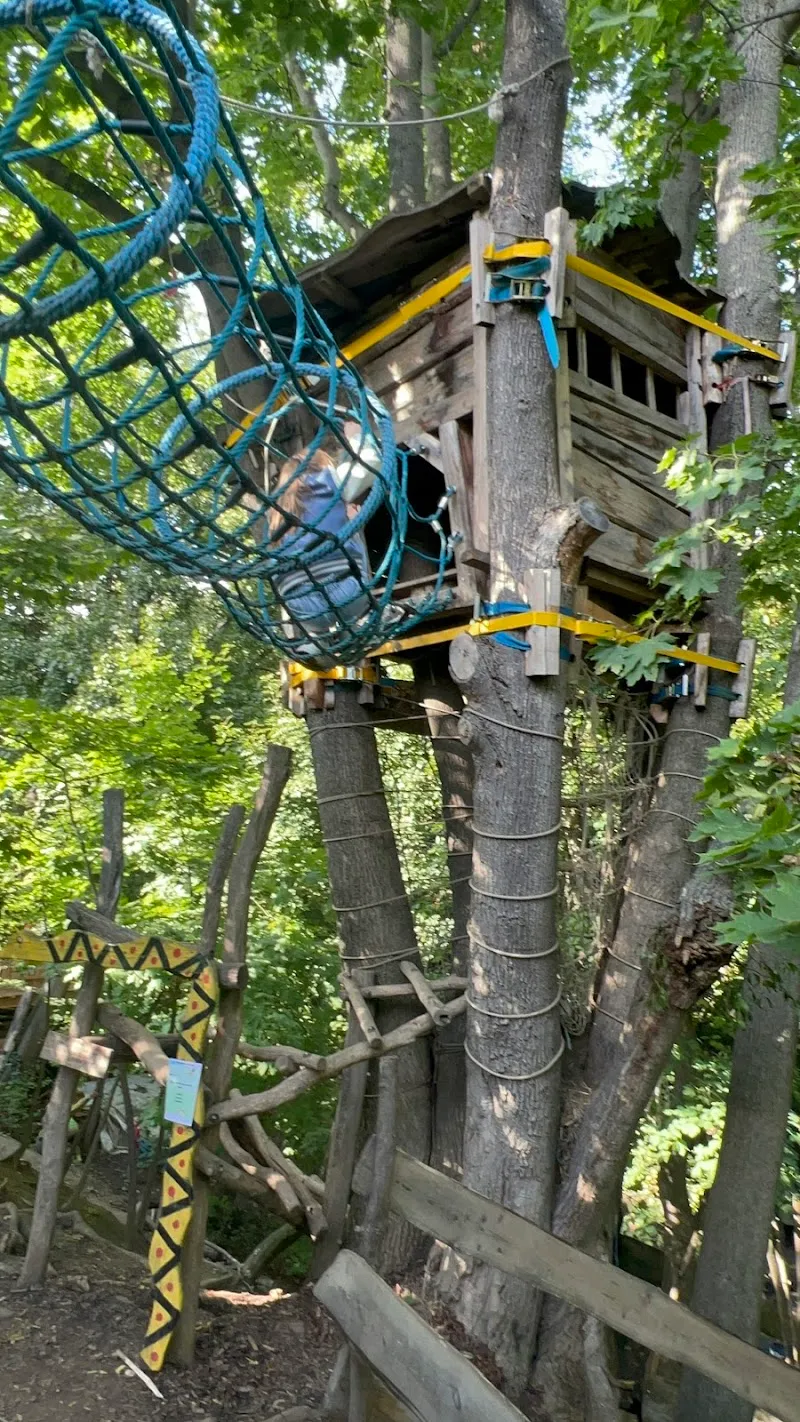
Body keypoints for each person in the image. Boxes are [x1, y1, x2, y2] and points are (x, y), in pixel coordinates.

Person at [268, 420, 399, 663]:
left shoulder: (276, 513)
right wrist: (357, 436)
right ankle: (363, 623)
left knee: (314, 559)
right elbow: (371, 463)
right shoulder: (330, 480)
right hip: (347, 596)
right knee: (348, 549)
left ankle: (315, 642)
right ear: (321, 465)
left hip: (301, 608)